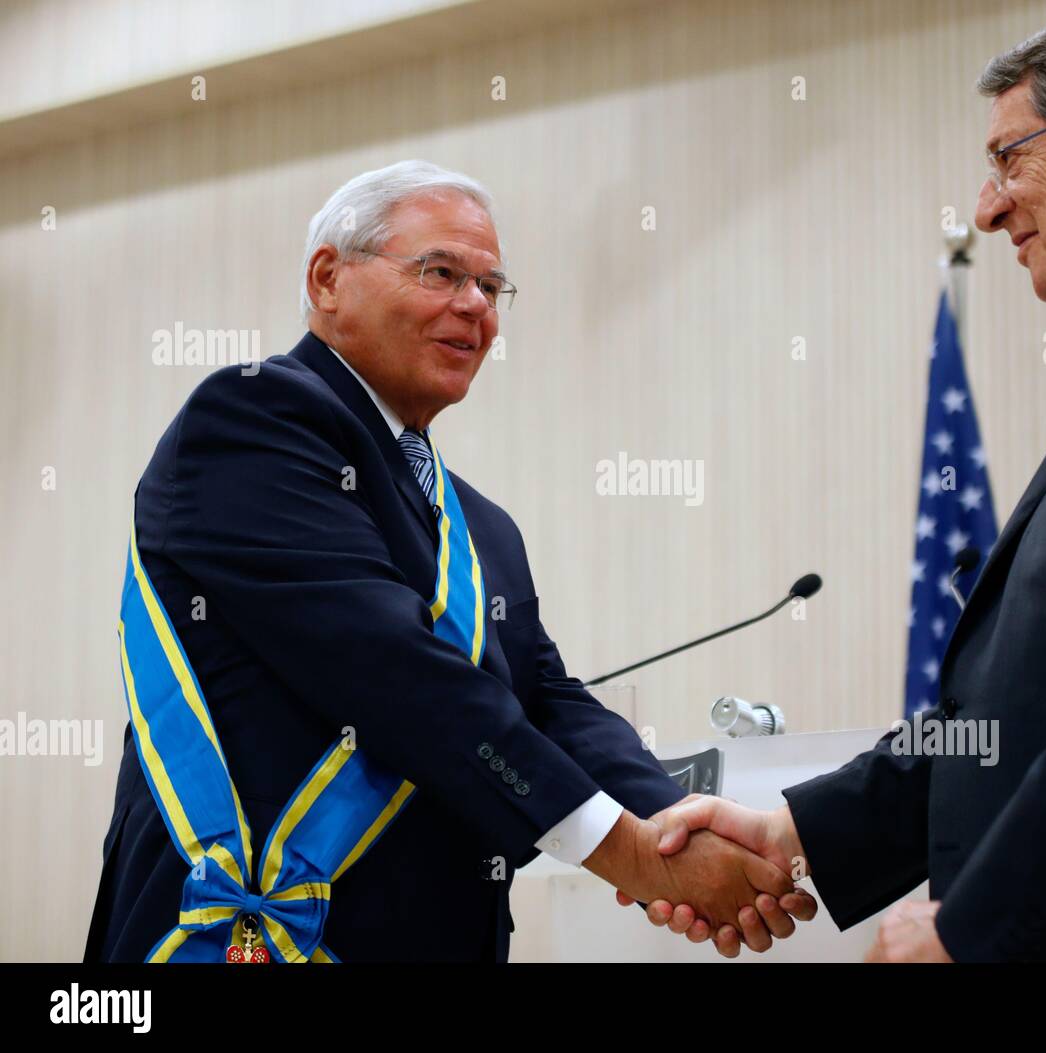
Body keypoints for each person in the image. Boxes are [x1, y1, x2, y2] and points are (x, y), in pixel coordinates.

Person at [627, 5, 1046, 962]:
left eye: (1010, 158)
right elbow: (1029, 696)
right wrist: (800, 832)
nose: (987, 208)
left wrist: (973, 928)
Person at [85, 160, 815, 962]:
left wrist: (672, 822)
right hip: (264, 937)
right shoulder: (254, 420)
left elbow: (548, 701)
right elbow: (394, 671)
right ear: (329, 279)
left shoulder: (483, 527)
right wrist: (630, 853)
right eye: (440, 272)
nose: (474, 305)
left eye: (491, 286)